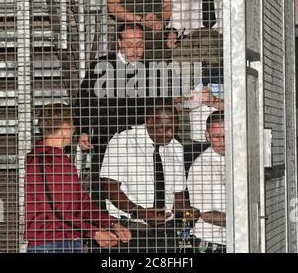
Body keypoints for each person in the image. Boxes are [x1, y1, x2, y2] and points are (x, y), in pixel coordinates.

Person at [76, 23, 165, 208]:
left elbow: (158, 105)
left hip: (139, 140)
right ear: (119, 43)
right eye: (130, 45)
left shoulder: (152, 70)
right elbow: (83, 101)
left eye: (140, 45)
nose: (136, 50)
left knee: (138, 186)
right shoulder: (101, 66)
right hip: (106, 137)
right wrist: (83, 130)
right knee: (102, 185)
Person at [25, 103, 131, 253]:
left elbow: (82, 203)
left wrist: (112, 223)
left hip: (71, 241)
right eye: (73, 125)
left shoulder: (62, 160)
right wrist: (93, 232)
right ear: (66, 128)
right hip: (48, 243)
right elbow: (54, 210)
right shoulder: (41, 160)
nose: (74, 130)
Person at [99, 99, 200, 252]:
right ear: (150, 121)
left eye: (174, 129)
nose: (170, 134)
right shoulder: (123, 141)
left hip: (165, 231)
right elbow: (110, 188)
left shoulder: (176, 147)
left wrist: (187, 211)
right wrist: (140, 212)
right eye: (164, 128)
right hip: (130, 229)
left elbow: (178, 197)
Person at [187, 111, 226, 253]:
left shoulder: (239, 157)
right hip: (212, 244)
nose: (223, 142)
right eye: (217, 137)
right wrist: (244, 219)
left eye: (226, 136)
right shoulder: (201, 167)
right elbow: (206, 214)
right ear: (207, 136)